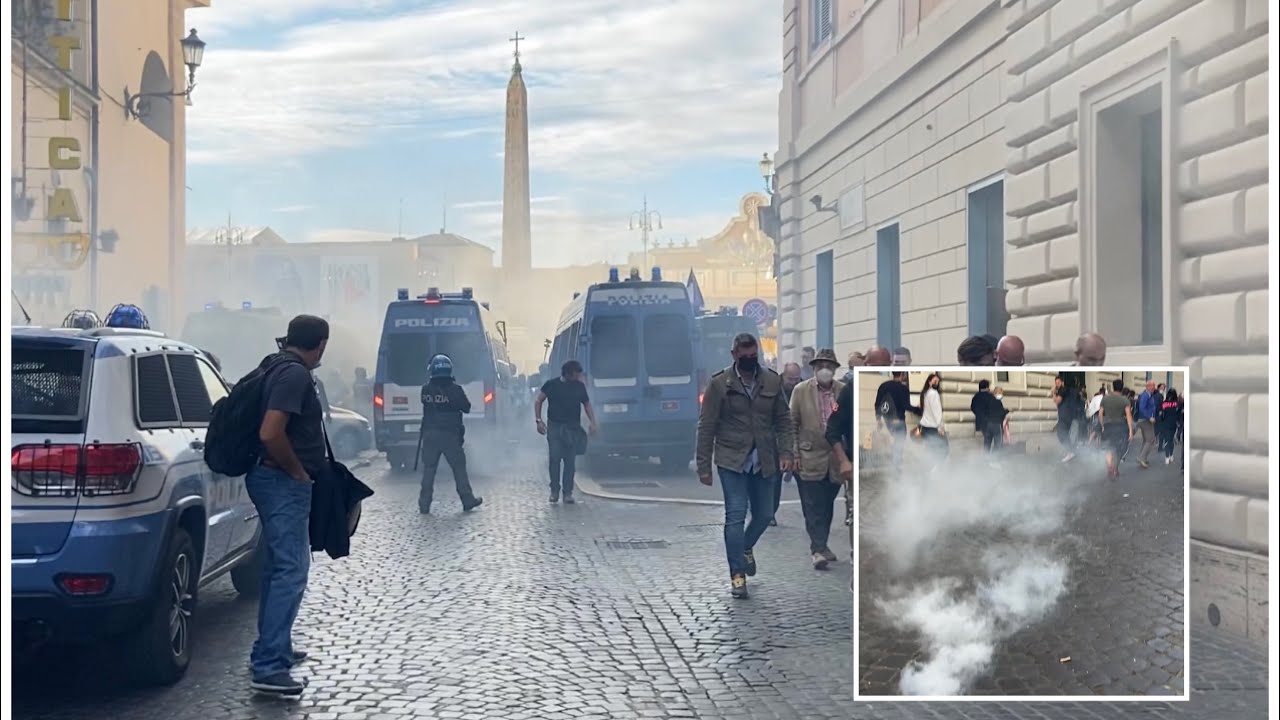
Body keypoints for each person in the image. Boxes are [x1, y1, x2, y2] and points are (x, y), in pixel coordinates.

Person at [247, 315, 330, 696]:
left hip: (270, 479)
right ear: (320, 344)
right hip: (281, 482)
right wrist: (297, 472)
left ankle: (272, 648)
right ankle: (269, 667)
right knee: (291, 571)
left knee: (277, 568)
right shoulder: (295, 374)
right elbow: (270, 432)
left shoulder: (273, 364)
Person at [696, 333, 795, 598]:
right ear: (734, 355)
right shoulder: (719, 384)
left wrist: (787, 452)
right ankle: (737, 575)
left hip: (764, 458)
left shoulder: (772, 380)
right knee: (735, 516)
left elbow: (784, 420)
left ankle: (746, 546)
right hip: (732, 459)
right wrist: (703, 465)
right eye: (745, 356)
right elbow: (706, 426)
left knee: (765, 514)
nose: (751, 360)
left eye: (754, 356)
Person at [787, 349, 844, 570]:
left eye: (829, 366)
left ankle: (823, 543)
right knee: (812, 505)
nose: (824, 370)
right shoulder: (801, 391)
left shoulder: (843, 391)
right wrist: (793, 454)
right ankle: (817, 549)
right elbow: (791, 423)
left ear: (835, 369)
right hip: (808, 457)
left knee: (828, 504)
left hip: (834, 459)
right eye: (820, 366)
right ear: (813, 368)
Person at [417, 354, 483, 514]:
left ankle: (424, 504)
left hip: (430, 435)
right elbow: (466, 407)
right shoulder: (455, 389)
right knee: (459, 468)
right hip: (450, 436)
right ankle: (467, 500)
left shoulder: (425, 389)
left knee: (429, 470)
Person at [535, 360, 597, 504]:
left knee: (570, 461)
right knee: (555, 459)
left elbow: (587, 405)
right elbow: (539, 401)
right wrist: (538, 420)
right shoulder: (551, 385)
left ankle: (567, 493)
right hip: (555, 427)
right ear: (567, 374)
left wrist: (593, 422)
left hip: (572, 428)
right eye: (576, 375)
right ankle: (554, 491)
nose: (578, 377)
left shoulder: (579, 387)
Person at [873, 371, 919, 474]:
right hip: (899, 421)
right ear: (902, 374)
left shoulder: (883, 386)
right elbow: (906, 406)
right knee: (899, 443)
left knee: (896, 442)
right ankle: (896, 468)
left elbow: (877, 404)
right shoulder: (903, 388)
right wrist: (919, 410)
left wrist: (878, 420)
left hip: (888, 421)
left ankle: (895, 463)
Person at [1099, 379, 1134, 479]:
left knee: (1108, 448)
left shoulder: (1105, 398)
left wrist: (1102, 426)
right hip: (1120, 427)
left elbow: (1100, 414)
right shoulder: (1125, 400)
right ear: (1122, 388)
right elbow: (1128, 416)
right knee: (1118, 450)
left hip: (1108, 426)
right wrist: (1130, 431)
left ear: (1113, 387)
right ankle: (1115, 469)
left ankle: (1109, 465)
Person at [970, 380, 1007, 454]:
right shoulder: (990, 396)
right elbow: (995, 409)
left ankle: (986, 458)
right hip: (992, 421)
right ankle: (994, 458)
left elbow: (973, 408)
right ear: (987, 387)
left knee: (987, 441)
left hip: (981, 422)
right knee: (997, 441)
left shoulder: (975, 397)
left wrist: (979, 416)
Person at [917, 373, 947, 462]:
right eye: (935, 381)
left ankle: (928, 471)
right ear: (929, 382)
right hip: (933, 428)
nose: (936, 383)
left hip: (924, 427)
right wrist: (940, 427)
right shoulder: (934, 394)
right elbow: (937, 412)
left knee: (930, 451)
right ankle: (934, 471)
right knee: (944, 450)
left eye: (938, 381)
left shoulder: (924, 394)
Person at [1135, 380, 1160, 468]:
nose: (1153, 387)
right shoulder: (1145, 395)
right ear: (1147, 387)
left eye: (1154, 385)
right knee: (1150, 440)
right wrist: (1149, 417)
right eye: (1151, 385)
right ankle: (1141, 458)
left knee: (1147, 440)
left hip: (1146, 420)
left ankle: (1142, 457)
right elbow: (1142, 408)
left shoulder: (1149, 395)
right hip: (1145, 420)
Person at [1158, 388, 1182, 465]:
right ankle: (1171, 455)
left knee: (1167, 440)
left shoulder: (1164, 403)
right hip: (1173, 424)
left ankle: (1167, 457)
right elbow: (1179, 414)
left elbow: (1161, 414)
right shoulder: (1178, 403)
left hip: (1165, 424)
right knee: (1171, 440)